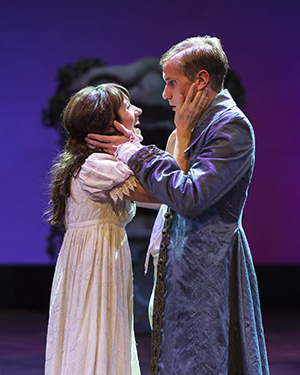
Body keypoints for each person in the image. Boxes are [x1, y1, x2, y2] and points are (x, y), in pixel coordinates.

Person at [85, 36, 270, 375]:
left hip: (208, 267)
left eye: (172, 83)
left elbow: (189, 196)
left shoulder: (230, 126)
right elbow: (175, 192)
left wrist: (133, 152)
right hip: (186, 263)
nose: (165, 94)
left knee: (202, 361)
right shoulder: (200, 123)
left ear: (200, 80)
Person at [44, 83, 161, 375]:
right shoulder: (98, 166)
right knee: (95, 330)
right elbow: (163, 194)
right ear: (111, 123)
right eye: (127, 106)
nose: (138, 110)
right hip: (97, 261)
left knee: (98, 330)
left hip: (101, 255)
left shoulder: (96, 163)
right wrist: (135, 148)